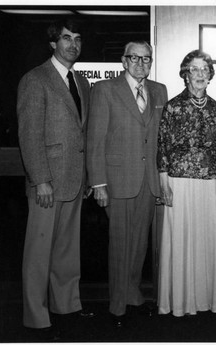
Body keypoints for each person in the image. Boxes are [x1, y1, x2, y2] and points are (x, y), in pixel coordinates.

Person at [17, 18, 94, 340]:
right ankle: (36, 317)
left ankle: (66, 306)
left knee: (66, 250)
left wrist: (88, 176)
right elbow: (29, 135)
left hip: (74, 180)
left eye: (77, 38)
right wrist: (41, 179)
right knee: (39, 252)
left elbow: (82, 133)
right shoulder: (36, 79)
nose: (72, 44)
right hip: (48, 183)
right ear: (53, 43)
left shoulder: (80, 81)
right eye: (65, 38)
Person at [87, 40, 168, 328]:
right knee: (120, 245)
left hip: (147, 181)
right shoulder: (105, 90)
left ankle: (133, 296)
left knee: (139, 245)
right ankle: (117, 307)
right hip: (117, 180)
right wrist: (98, 183)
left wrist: (162, 177)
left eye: (146, 59)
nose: (140, 63)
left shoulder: (159, 91)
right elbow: (95, 140)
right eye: (134, 58)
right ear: (123, 61)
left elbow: (159, 139)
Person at [157, 49, 216, 317]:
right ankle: (180, 302)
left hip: (210, 182)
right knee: (181, 241)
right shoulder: (173, 106)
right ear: (185, 74)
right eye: (194, 70)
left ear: (210, 75)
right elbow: (162, 145)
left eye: (204, 70)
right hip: (180, 181)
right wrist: (164, 180)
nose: (200, 74)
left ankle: (205, 300)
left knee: (205, 240)